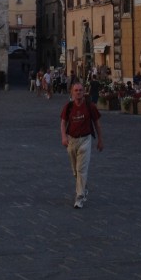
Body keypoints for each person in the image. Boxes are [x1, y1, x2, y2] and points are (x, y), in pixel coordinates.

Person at [59, 81, 103, 209]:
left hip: (85, 140)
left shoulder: (90, 106)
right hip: (71, 140)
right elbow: (63, 123)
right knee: (75, 171)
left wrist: (100, 140)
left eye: (80, 90)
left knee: (81, 169)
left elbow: (97, 124)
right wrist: (63, 137)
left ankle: (79, 197)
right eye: (76, 90)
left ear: (84, 92)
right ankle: (83, 187)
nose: (78, 92)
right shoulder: (68, 107)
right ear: (72, 92)